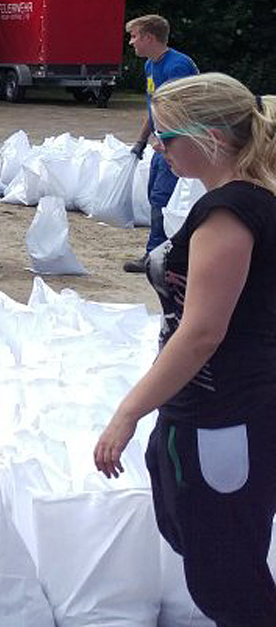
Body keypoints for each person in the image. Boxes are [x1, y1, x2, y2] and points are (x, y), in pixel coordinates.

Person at [93, 73, 276, 624]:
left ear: (212, 138)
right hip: (221, 411)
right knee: (216, 553)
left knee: (224, 577)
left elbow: (201, 333)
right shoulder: (248, 201)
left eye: (167, 137)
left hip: (223, 416)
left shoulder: (230, 212)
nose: (158, 147)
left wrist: (127, 413)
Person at [123, 14, 200, 272]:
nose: (131, 42)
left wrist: (167, 139)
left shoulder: (177, 66)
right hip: (162, 144)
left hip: (178, 144)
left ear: (148, 37)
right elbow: (155, 109)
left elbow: (180, 110)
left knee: (162, 198)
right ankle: (161, 254)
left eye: (134, 36)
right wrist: (141, 140)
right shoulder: (150, 66)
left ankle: (158, 257)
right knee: (154, 196)